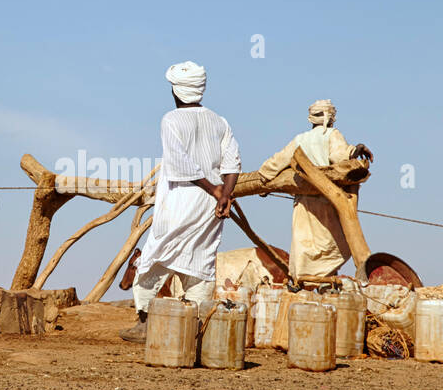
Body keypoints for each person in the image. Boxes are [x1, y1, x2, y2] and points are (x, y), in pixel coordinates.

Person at [119, 61, 241, 343]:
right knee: (201, 259)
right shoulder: (219, 121)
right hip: (210, 205)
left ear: (175, 91)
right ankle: (194, 327)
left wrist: (215, 191)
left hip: (182, 198)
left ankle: (145, 323)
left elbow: (179, 163)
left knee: (154, 256)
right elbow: (232, 161)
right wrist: (225, 194)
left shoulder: (171, 120)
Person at [257, 99, 371, 285]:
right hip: (329, 200)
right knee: (329, 245)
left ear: (311, 119)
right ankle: (325, 285)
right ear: (331, 118)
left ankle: (303, 286)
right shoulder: (332, 134)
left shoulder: (300, 139)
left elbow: (277, 161)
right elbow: (339, 156)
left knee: (304, 247)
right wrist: (354, 151)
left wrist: (263, 178)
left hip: (304, 204)